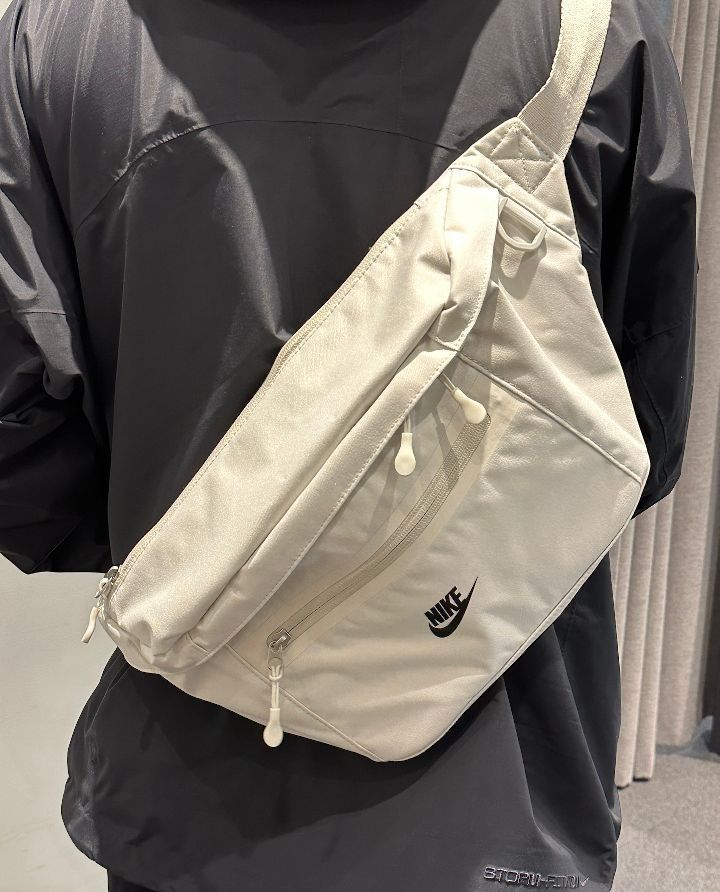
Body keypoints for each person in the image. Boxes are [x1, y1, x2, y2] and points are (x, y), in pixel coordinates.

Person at [0, 0, 696, 889]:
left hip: (188, 780)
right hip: (499, 782)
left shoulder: (56, 36)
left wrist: (209, 558)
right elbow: (637, 421)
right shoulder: (594, 33)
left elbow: (19, 446)